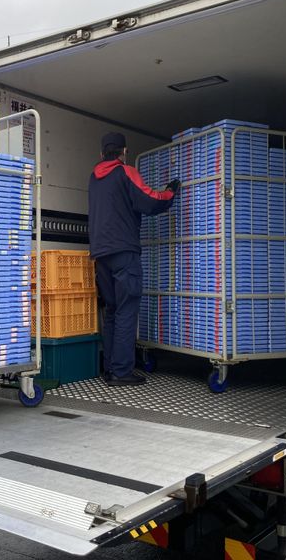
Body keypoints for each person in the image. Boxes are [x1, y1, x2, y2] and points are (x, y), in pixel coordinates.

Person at [88, 132, 180, 386]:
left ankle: (109, 368)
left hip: (101, 254)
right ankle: (121, 372)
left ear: (101, 154)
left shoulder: (93, 178)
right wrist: (170, 193)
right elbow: (149, 201)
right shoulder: (125, 172)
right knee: (127, 310)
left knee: (112, 311)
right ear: (124, 152)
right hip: (124, 252)